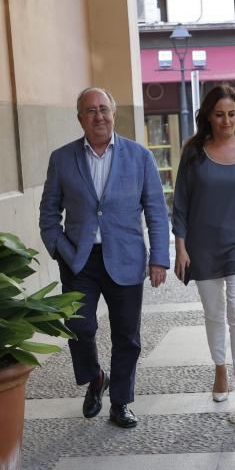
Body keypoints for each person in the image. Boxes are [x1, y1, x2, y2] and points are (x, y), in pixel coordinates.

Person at [39, 87, 170, 428]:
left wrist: (159, 258)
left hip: (126, 258)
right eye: (91, 110)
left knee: (127, 336)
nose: (98, 116)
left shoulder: (140, 157)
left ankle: (120, 403)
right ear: (80, 118)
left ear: (113, 114)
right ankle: (96, 377)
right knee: (79, 326)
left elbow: (156, 212)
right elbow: (49, 212)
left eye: (103, 109)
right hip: (79, 260)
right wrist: (58, 248)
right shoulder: (62, 159)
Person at [172, 84, 235, 428]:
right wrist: (180, 247)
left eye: (232, 114)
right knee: (214, 313)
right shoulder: (194, 153)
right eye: (219, 114)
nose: (226, 121)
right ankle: (220, 368)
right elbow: (181, 204)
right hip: (202, 244)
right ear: (208, 116)